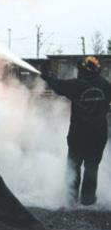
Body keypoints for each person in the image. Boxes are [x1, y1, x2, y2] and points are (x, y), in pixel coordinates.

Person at [41, 56, 111, 205]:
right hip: (98, 134)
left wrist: (47, 77)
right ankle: (87, 200)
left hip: (78, 133)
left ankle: (71, 199)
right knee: (92, 166)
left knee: (74, 165)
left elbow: (58, 86)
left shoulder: (76, 85)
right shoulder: (105, 85)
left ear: (82, 70)